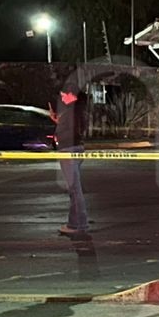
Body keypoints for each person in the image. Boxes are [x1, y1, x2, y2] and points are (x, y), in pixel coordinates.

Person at [55, 86, 89, 236]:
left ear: (72, 95)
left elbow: (66, 132)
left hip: (68, 149)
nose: (62, 97)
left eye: (64, 95)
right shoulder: (78, 111)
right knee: (74, 189)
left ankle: (78, 224)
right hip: (76, 148)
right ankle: (76, 222)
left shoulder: (71, 111)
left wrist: (60, 124)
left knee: (74, 190)